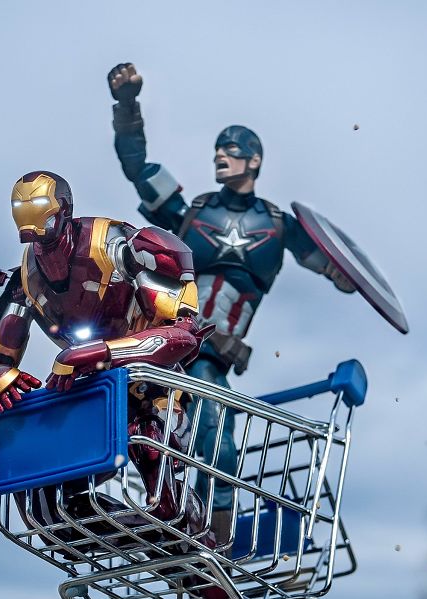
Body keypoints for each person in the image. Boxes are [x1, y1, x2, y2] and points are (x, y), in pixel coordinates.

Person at [107, 62, 361, 543]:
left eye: (231, 151)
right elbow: (138, 167)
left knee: (217, 445)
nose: (220, 157)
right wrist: (127, 104)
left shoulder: (279, 227)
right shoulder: (194, 211)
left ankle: (212, 537)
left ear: (254, 160)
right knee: (137, 422)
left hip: (210, 356)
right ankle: (171, 519)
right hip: (168, 340)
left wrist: (348, 276)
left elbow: (339, 272)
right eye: (217, 151)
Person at [0, 170, 231, 599]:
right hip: (89, 399)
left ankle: (201, 554)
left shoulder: (120, 248)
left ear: (62, 210)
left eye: (39, 209)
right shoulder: (24, 279)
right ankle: (156, 548)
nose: (30, 220)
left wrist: (99, 353)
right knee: (48, 515)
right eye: (22, 209)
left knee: (158, 472)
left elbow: (182, 335)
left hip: (150, 387)